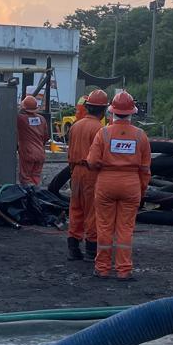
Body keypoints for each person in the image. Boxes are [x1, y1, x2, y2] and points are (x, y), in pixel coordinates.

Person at [86, 90, 151, 280]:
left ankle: (102, 268)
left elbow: (92, 162)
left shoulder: (103, 133)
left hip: (106, 183)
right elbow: (145, 168)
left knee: (104, 227)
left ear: (111, 111)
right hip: (131, 184)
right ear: (132, 112)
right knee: (126, 228)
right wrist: (141, 189)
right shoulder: (140, 135)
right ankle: (124, 270)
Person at [66, 89, 108, 261]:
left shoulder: (75, 126)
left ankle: (73, 247)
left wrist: (72, 172)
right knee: (92, 211)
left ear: (88, 107)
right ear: (103, 110)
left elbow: (69, 153)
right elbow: (101, 157)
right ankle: (91, 249)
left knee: (75, 208)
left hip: (76, 171)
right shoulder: (100, 129)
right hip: (92, 173)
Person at [16, 94, 49, 186]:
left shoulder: (20, 119)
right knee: (35, 176)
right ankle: (36, 192)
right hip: (40, 153)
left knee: (25, 178)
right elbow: (46, 137)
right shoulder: (42, 119)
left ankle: (29, 193)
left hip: (28, 153)